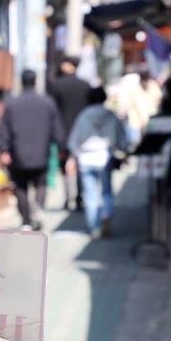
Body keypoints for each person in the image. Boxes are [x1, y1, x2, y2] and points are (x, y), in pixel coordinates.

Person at [0, 69, 64, 230]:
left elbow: (3, 129)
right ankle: (39, 206)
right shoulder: (47, 102)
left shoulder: (12, 103)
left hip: (18, 153)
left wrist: (4, 149)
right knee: (41, 182)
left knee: (21, 187)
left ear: (21, 82)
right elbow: (57, 127)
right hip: (41, 152)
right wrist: (61, 147)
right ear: (35, 82)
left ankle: (26, 221)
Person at [67, 86, 128, 239]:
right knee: (106, 191)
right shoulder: (110, 115)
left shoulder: (84, 115)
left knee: (90, 193)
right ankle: (106, 213)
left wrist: (73, 155)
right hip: (104, 155)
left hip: (86, 157)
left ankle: (94, 226)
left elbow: (74, 140)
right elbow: (121, 138)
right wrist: (122, 150)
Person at [48, 56, 91, 209]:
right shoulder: (85, 86)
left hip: (62, 133)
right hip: (82, 133)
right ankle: (79, 198)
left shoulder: (56, 86)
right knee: (80, 165)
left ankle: (67, 197)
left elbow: (52, 111)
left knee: (63, 166)